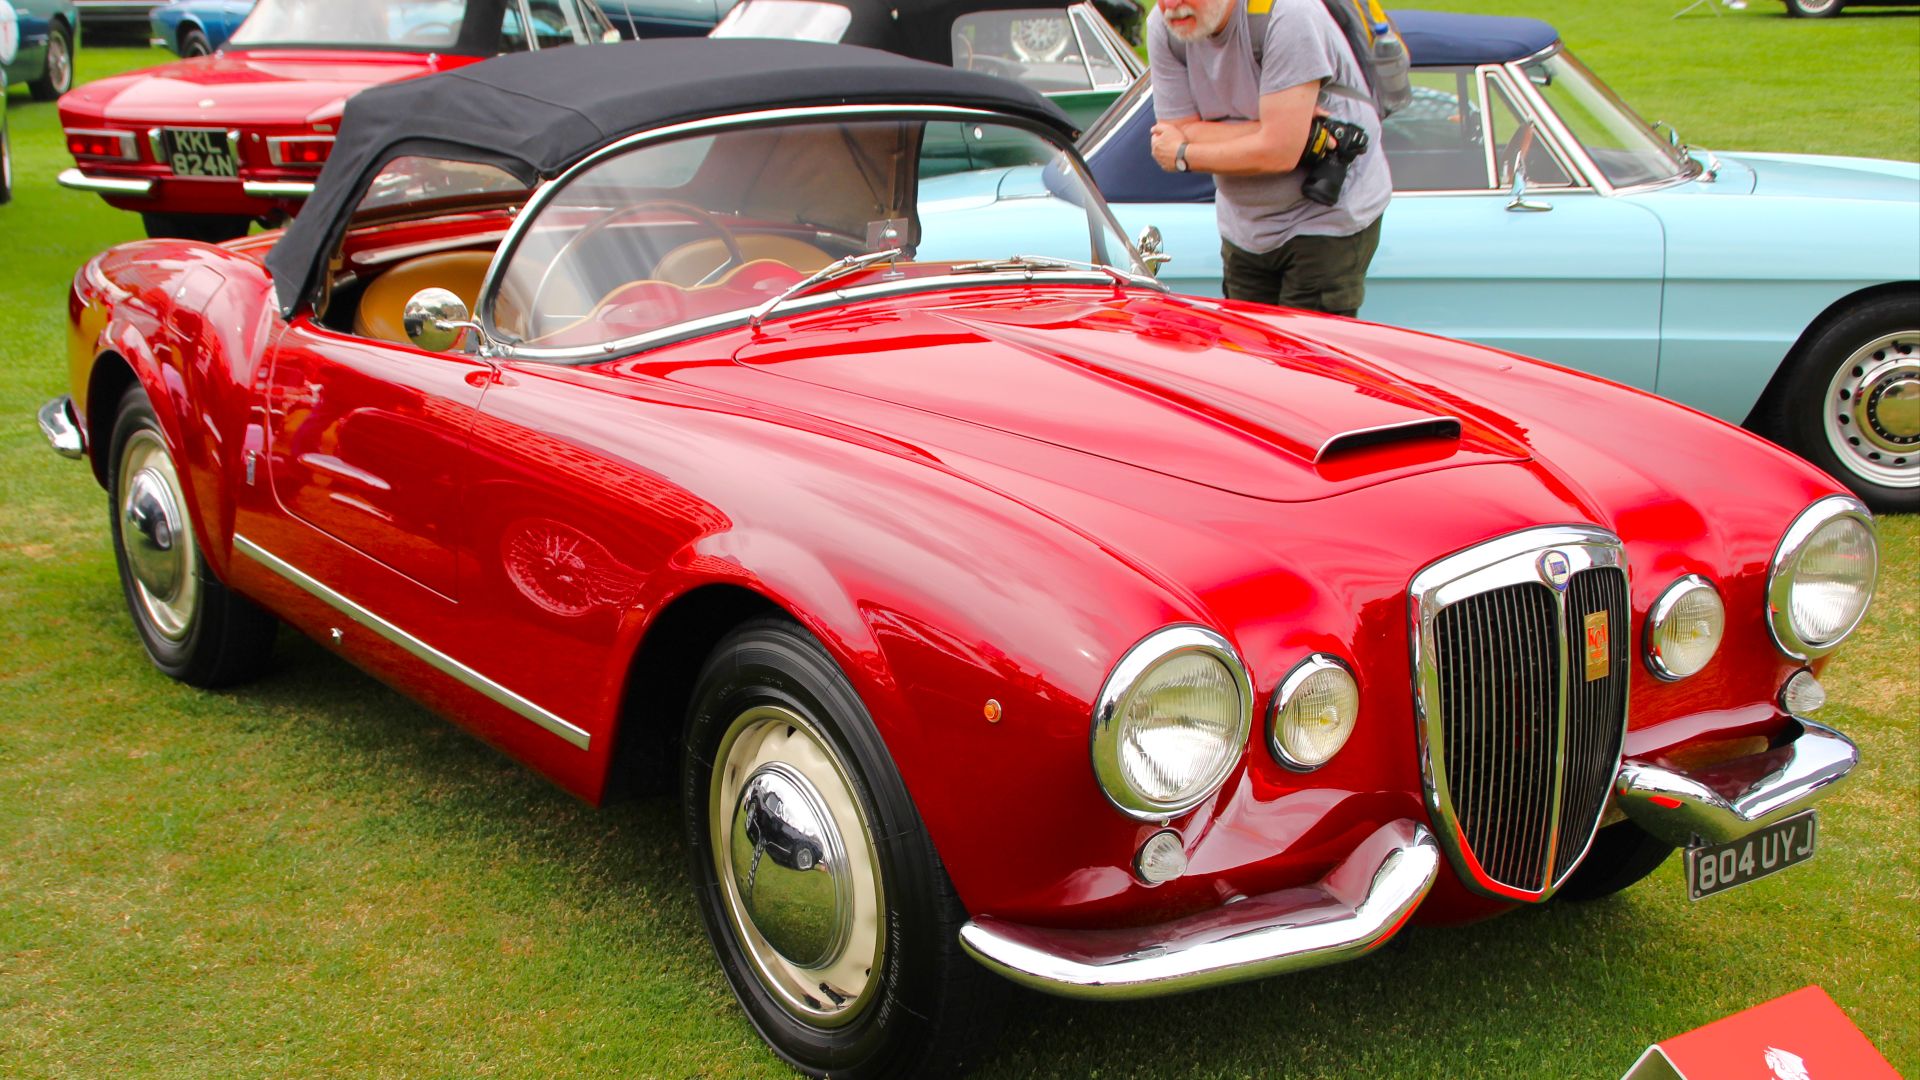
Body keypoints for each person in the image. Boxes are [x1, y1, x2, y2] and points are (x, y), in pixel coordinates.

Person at [1146, 0, 1390, 317]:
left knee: (1305, 361)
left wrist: (1183, 155)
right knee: (1251, 359)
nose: (1171, 5)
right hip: (1245, 226)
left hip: (1323, 220)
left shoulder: (1288, 14)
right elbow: (1173, 130)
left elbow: (1279, 154)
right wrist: (1270, 130)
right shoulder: (1165, 27)